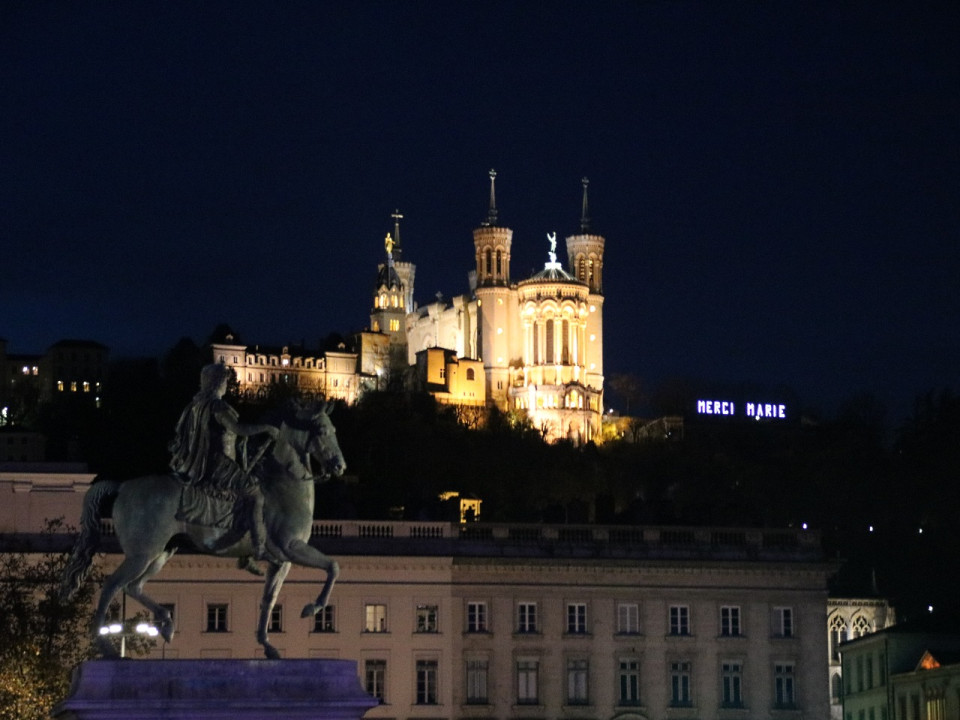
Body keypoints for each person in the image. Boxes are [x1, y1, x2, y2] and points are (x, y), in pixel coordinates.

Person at [169, 363, 279, 571]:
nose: (227, 385)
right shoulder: (216, 405)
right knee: (256, 495)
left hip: (207, 461)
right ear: (218, 382)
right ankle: (259, 548)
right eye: (225, 381)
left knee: (244, 494)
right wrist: (266, 428)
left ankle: (244, 554)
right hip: (220, 464)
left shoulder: (197, 404)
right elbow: (237, 428)